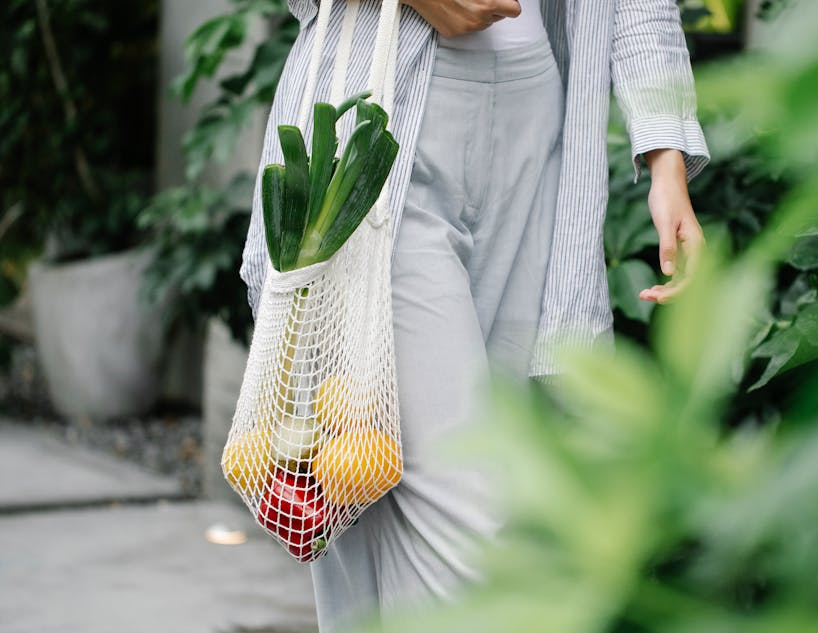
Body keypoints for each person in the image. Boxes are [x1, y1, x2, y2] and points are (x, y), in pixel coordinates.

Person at [240, 0, 709, 630]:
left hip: (537, 124)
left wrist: (665, 158)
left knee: (374, 478)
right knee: (462, 516)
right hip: (383, 123)